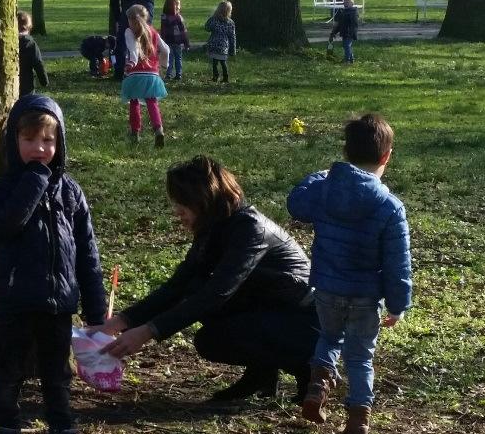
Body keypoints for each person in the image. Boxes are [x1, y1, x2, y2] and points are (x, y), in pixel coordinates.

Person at [95, 155, 319, 404]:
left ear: (204, 199)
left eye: (183, 202)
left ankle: (307, 369)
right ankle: (261, 374)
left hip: (304, 320)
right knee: (196, 292)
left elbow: (217, 292)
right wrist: (119, 323)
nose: (177, 210)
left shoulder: (250, 229)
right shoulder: (214, 227)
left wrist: (147, 332)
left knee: (212, 338)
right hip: (270, 309)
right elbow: (178, 285)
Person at [0, 94, 107, 434]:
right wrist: (34, 180)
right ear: (14, 142)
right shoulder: (4, 189)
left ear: (60, 144)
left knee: (58, 374)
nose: (40, 148)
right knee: (9, 373)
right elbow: (7, 225)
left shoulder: (70, 190)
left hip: (58, 302)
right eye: (30, 140)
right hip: (14, 300)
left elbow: (87, 249)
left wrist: (95, 303)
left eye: (49, 141)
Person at [287, 114, 412, 434]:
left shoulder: (325, 191)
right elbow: (398, 262)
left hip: (327, 288)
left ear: (345, 151)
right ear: (386, 156)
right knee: (360, 358)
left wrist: (321, 176)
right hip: (366, 296)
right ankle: (357, 426)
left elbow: (296, 202)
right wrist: (399, 304)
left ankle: (318, 385)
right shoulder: (390, 206)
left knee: (328, 337)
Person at [121, 4, 169, 147]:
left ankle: (135, 133)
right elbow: (166, 49)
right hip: (152, 74)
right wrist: (164, 65)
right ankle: (158, 130)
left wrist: (131, 63)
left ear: (130, 19)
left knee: (134, 102)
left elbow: (133, 50)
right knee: (152, 101)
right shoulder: (153, 32)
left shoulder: (129, 32)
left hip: (136, 74)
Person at [110, 0, 156, 80]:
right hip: (146, 0)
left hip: (129, 0)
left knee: (123, 39)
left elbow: (114, 0)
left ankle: (120, 71)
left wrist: (118, 19)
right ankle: (147, 68)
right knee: (145, 36)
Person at [17, 11, 49, 96]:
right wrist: (44, 81)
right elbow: (38, 63)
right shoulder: (30, 44)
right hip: (26, 84)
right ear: (29, 27)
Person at [205, 1, 236, 83]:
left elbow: (207, 27)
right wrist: (233, 49)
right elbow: (232, 36)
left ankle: (215, 77)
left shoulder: (214, 20)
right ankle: (225, 77)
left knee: (214, 62)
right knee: (223, 62)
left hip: (214, 44)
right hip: (223, 46)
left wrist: (211, 18)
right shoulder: (230, 23)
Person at [160, 0, 190, 81]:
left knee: (170, 58)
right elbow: (183, 31)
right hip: (177, 41)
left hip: (168, 41)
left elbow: (163, 30)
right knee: (178, 58)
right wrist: (186, 43)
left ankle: (169, 74)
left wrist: (162, 40)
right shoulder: (178, 17)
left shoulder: (164, 17)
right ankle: (178, 74)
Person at [329, 0, 359, 64]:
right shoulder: (343, 12)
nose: (346, 4)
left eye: (348, 2)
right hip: (344, 32)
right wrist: (334, 33)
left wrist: (350, 32)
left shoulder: (353, 12)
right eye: (345, 2)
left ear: (352, 3)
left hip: (350, 33)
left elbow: (354, 24)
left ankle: (347, 60)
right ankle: (351, 59)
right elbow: (339, 24)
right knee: (346, 46)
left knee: (347, 46)